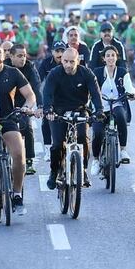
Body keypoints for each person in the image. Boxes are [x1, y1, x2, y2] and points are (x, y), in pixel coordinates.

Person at [0, 42, 38, 215]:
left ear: (4, 55)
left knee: (18, 153)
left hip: (8, 119)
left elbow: (30, 95)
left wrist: (26, 108)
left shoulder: (13, 73)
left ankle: (16, 194)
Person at [43, 48, 103, 190]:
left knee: (83, 138)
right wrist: (48, 109)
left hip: (80, 109)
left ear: (78, 61)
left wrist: (99, 110)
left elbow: (95, 94)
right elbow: (47, 93)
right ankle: (54, 172)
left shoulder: (87, 73)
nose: (68, 65)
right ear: (61, 60)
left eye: (72, 62)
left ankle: (83, 170)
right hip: (58, 112)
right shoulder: (54, 73)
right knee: (57, 144)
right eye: (65, 61)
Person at [90, 46, 135, 175]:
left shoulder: (122, 72)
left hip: (117, 104)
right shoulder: (97, 72)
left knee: (121, 115)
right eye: (108, 55)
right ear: (104, 59)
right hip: (100, 106)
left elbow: (129, 87)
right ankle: (95, 160)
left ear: (116, 57)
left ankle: (123, 150)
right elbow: (92, 88)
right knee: (97, 131)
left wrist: (131, 94)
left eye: (113, 55)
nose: (110, 58)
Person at [5, 43, 43, 174]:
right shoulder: (4, 66)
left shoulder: (29, 67)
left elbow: (37, 87)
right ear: (11, 56)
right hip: (6, 102)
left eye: (24, 56)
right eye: (19, 56)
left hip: (24, 102)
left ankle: (29, 160)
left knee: (26, 126)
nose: (23, 59)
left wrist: (40, 106)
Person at [38, 41, 66, 161]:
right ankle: (48, 148)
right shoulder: (45, 63)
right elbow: (38, 81)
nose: (60, 54)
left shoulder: (70, 62)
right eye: (57, 51)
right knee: (46, 121)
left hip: (67, 97)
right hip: (50, 96)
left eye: (62, 51)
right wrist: (40, 103)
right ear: (52, 52)